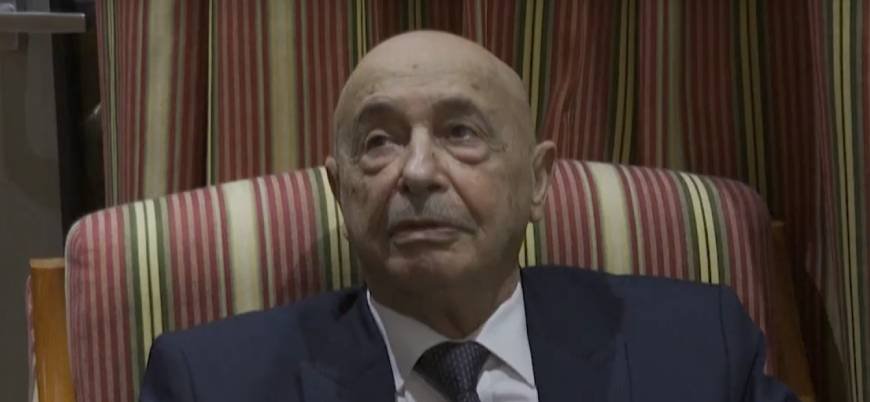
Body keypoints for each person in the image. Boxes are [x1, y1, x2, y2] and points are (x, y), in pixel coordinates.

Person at [140, 31, 796, 402]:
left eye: (460, 133)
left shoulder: (696, 346)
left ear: (539, 180)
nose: (418, 171)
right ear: (341, 191)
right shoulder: (210, 383)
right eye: (379, 141)